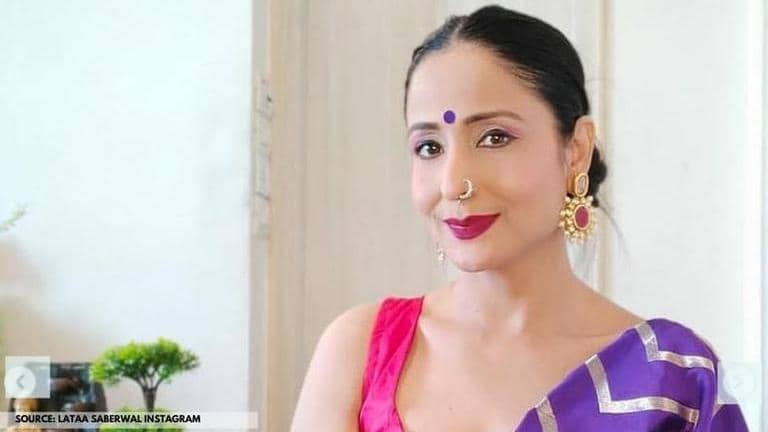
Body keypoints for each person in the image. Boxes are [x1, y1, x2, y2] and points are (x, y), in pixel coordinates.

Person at [291, 5, 749, 432]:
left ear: (576, 150)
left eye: (494, 137)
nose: (452, 184)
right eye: (429, 147)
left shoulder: (671, 379)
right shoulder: (360, 351)